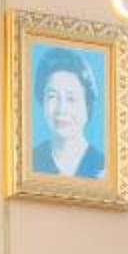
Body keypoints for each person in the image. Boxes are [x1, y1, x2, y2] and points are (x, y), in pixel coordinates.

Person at [29, 50, 104, 178]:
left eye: (71, 98)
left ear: (87, 105)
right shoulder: (31, 162)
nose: (61, 109)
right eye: (52, 97)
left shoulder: (103, 167)